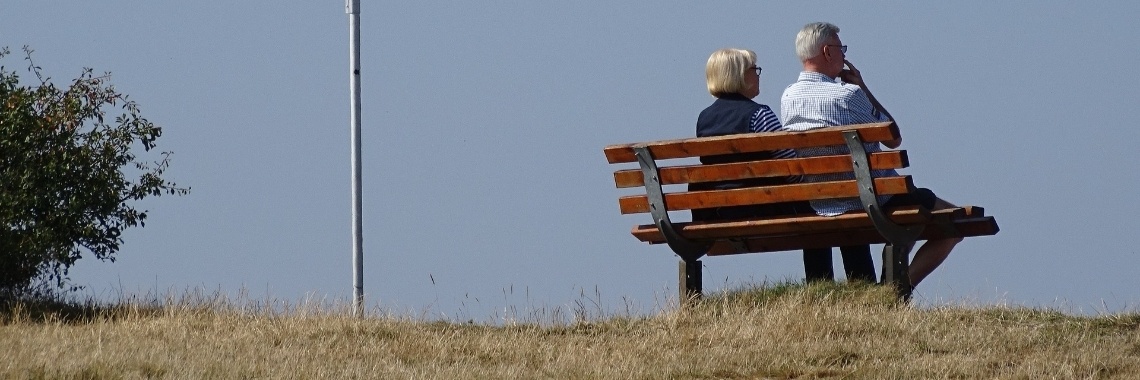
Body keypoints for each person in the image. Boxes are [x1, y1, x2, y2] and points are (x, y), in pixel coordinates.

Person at [780, 22, 963, 287]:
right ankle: (896, 289)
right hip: (870, 197)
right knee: (953, 222)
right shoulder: (848, 95)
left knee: (907, 220)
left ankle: (884, 287)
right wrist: (863, 87)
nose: (844, 55)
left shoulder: (788, 98)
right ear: (827, 52)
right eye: (840, 48)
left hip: (819, 200)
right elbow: (893, 138)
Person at [693, 48, 869, 283]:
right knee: (829, 206)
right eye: (754, 69)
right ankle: (837, 283)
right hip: (761, 209)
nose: (758, 75)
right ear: (738, 76)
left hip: (718, 213)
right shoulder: (760, 115)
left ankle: (822, 286)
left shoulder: (704, 119)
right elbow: (792, 172)